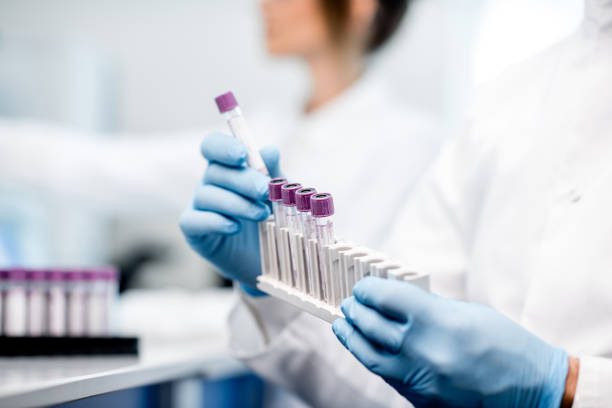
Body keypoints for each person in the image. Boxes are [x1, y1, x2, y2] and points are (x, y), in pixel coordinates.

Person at [181, 0, 612, 406]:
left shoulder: (408, 141)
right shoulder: (501, 104)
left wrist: (572, 385)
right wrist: (271, 286)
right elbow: (389, 372)